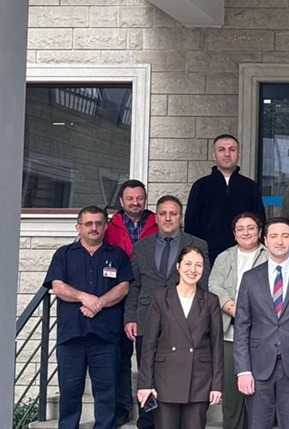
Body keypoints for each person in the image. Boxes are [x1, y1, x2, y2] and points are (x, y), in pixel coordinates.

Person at [123, 195, 210, 429]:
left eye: (173, 213)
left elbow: (203, 284)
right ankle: (147, 422)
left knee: (180, 374)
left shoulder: (197, 244)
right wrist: (130, 317)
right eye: (163, 213)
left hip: (184, 323)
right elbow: (135, 285)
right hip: (146, 319)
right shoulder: (141, 247)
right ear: (156, 217)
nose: (168, 218)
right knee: (148, 374)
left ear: (181, 217)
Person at [43, 206, 133, 429]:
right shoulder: (64, 254)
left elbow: (123, 288)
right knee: (69, 391)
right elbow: (58, 287)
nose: (94, 228)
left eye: (99, 223)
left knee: (106, 393)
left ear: (105, 226)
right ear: (78, 227)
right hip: (71, 335)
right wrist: (84, 297)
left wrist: (98, 303)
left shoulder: (117, 255)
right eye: (89, 223)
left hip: (105, 336)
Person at [234, 217, 289, 429]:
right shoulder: (250, 278)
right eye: (274, 236)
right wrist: (243, 370)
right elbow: (241, 327)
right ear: (265, 240)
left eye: (285, 236)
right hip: (258, 366)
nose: (279, 241)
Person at [136, 246, 223, 429]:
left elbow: (216, 346)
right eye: (188, 264)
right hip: (165, 378)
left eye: (198, 265)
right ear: (178, 266)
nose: (193, 270)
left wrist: (216, 385)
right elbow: (149, 344)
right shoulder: (161, 298)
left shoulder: (210, 300)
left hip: (199, 379)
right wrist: (145, 383)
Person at [104, 179, 157, 426]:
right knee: (119, 357)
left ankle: (149, 412)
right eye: (130, 198)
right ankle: (121, 409)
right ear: (121, 201)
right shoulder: (110, 226)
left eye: (139, 198)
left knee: (149, 359)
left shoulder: (156, 222)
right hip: (117, 295)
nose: (135, 203)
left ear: (145, 199)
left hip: (148, 296)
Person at [208, 212, 269, 429]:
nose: (246, 232)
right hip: (229, 334)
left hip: (262, 335)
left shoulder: (270, 256)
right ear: (234, 234)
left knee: (259, 396)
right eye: (240, 229)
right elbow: (214, 286)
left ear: (259, 232)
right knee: (232, 398)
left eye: (251, 228)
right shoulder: (224, 257)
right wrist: (234, 309)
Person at [185, 134, 267, 264]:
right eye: (221, 149)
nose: (227, 154)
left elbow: (259, 221)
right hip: (208, 256)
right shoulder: (201, 186)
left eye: (232, 150)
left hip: (244, 254)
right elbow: (191, 225)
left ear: (238, 155)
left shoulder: (250, 187)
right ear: (214, 155)